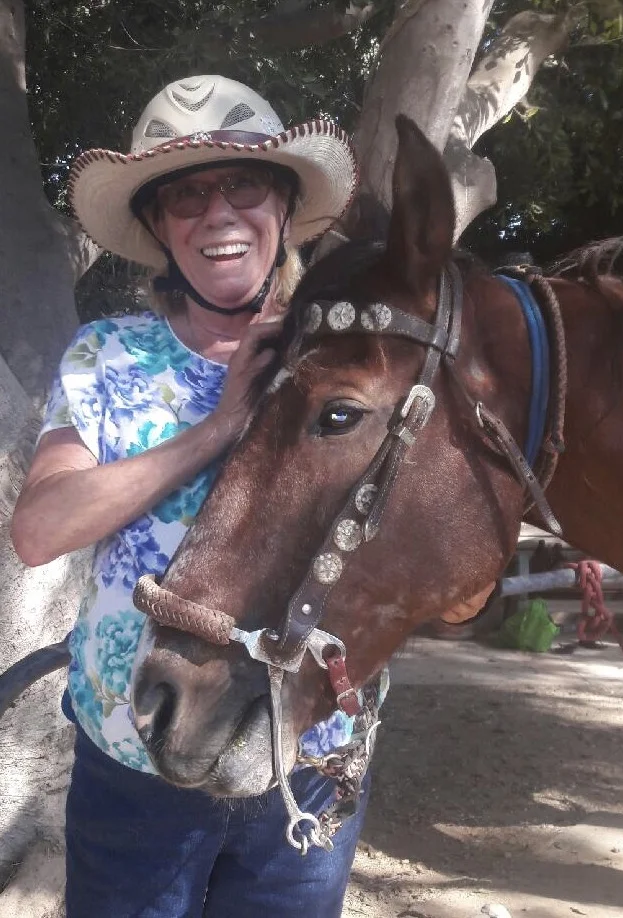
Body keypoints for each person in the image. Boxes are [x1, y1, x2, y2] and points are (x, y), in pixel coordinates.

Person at [11, 74, 365, 918]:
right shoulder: (110, 356)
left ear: (283, 206)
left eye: (244, 183)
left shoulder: (353, 353)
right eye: (185, 196)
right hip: (140, 753)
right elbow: (39, 530)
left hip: (303, 750)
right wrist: (220, 425)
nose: (217, 215)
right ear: (160, 230)